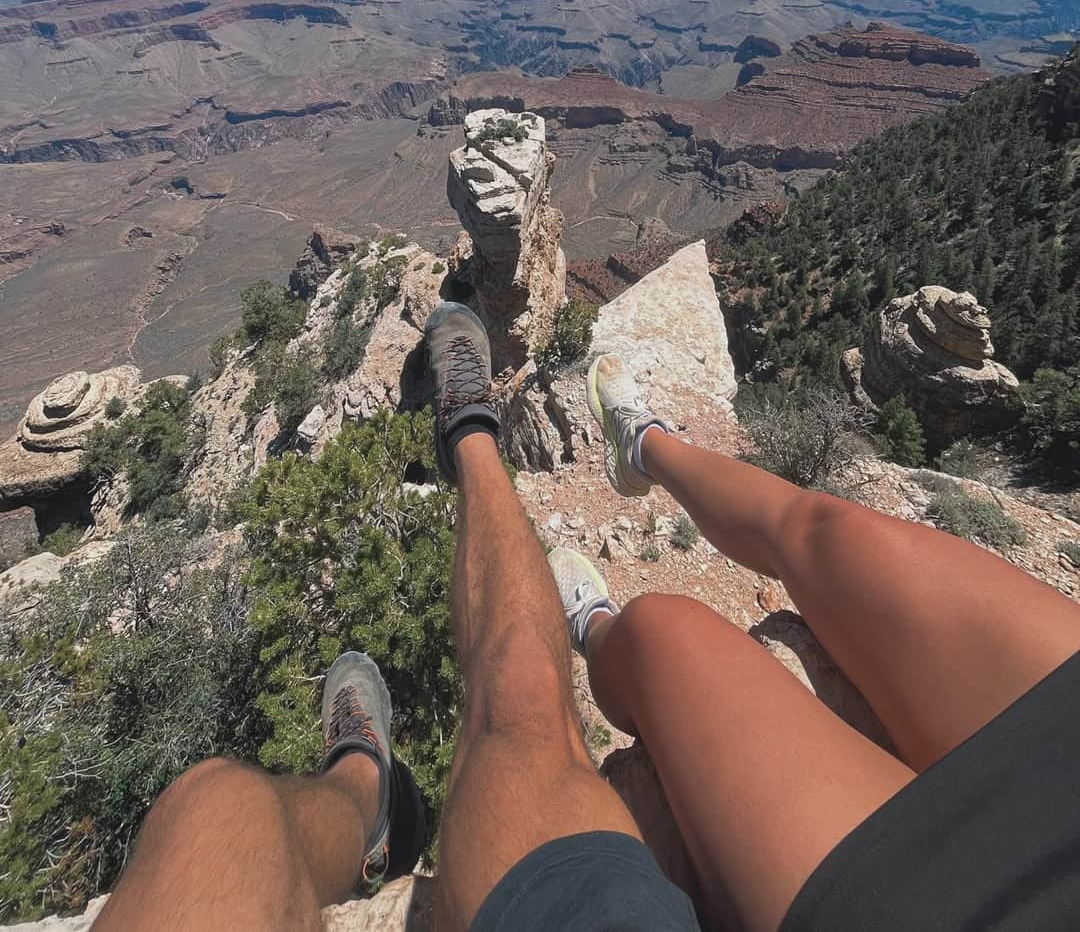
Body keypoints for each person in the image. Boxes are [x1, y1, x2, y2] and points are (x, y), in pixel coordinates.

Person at [97, 302, 1080, 932]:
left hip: (941, 899)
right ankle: (642, 444)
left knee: (216, 803)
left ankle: (476, 448)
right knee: (830, 533)